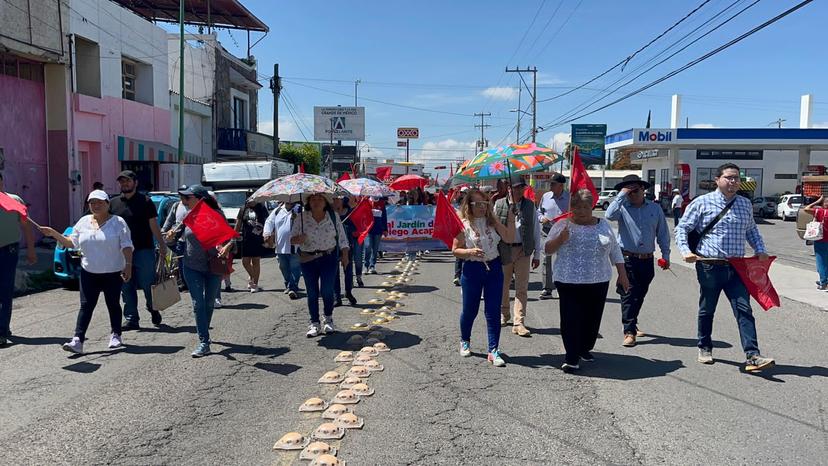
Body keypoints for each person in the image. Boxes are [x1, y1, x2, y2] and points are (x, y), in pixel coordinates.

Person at [675, 163, 775, 372]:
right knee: (707, 309)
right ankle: (704, 346)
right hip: (709, 266)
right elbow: (683, 228)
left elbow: (751, 230)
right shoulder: (702, 202)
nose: (733, 182)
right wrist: (685, 251)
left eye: (737, 178)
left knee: (744, 310)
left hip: (737, 268)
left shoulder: (744, 204)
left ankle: (752, 356)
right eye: (729, 177)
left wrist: (760, 249)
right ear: (717, 180)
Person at [545, 189, 630, 373]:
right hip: (568, 280)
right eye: (577, 207)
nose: (581, 211)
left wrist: (623, 275)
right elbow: (547, 249)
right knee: (571, 319)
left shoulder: (603, 225)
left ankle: (584, 347)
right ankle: (571, 356)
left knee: (592, 320)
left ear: (592, 206)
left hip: (598, 279)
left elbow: (615, 250)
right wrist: (560, 239)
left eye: (585, 207)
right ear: (571, 207)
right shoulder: (562, 225)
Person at [40, 191, 134, 354]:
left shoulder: (118, 222)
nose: (96, 206)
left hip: (112, 271)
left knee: (112, 303)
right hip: (89, 271)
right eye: (92, 203)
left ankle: (116, 334)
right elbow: (71, 242)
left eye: (99, 202)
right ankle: (78, 340)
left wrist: (128, 265)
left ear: (107, 204)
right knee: (86, 305)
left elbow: (126, 245)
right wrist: (54, 233)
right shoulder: (83, 222)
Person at [605, 174, 671, 347]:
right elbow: (608, 215)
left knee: (640, 294)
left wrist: (666, 255)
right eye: (629, 191)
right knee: (628, 293)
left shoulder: (655, 209)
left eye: (635, 190)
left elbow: (663, 233)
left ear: (643, 190)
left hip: (647, 259)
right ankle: (629, 331)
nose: (632, 194)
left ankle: (632, 321)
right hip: (627, 258)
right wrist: (621, 195)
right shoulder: (622, 207)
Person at [452, 188, 516, 367]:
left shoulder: (492, 221)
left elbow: (509, 238)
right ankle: (465, 340)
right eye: (477, 204)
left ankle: (493, 350)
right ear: (469, 205)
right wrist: (470, 251)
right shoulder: (463, 224)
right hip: (472, 269)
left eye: (484, 203)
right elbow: (455, 249)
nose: (481, 207)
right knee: (470, 309)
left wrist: (511, 217)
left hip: (494, 267)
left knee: (493, 310)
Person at [173, 185, 234, 357]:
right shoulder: (186, 217)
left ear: (200, 199)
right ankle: (204, 341)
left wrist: (227, 246)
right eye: (182, 198)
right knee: (198, 303)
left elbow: (230, 239)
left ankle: (203, 332)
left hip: (213, 265)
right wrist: (169, 238)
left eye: (187, 198)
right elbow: (174, 238)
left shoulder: (217, 215)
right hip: (192, 265)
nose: (183, 201)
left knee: (209, 303)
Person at [109, 170, 166, 330]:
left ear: (135, 183)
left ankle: (153, 308)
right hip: (121, 251)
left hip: (144, 249)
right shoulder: (113, 203)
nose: (124, 184)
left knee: (148, 284)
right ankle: (132, 318)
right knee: (126, 285)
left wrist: (161, 244)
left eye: (127, 181)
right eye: (122, 181)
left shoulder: (146, 201)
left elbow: (153, 224)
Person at [291, 193, 350, 338]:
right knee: (312, 292)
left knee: (327, 290)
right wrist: (299, 238)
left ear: (325, 202)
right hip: (308, 259)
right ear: (308, 202)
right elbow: (292, 239)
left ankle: (328, 319)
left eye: (319, 199)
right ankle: (314, 323)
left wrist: (345, 255)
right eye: (313, 199)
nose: (316, 202)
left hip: (328, 257)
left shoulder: (333, 216)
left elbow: (342, 237)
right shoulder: (301, 217)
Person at [494, 174, 541, 337]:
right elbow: (494, 228)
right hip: (504, 249)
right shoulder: (499, 204)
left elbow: (535, 229)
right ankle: (504, 314)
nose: (520, 190)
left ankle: (519, 321)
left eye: (522, 187)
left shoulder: (530, 205)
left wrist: (537, 253)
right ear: (509, 188)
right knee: (503, 285)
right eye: (517, 187)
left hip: (523, 250)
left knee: (521, 287)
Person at [0, 172, 37, 346]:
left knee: (5, 291)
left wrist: (31, 250)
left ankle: (2, 330)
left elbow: (26, 226)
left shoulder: (14, 200)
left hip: (9, 251)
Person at [538, 173, 569, 300]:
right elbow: (538, 211)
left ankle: (562, 286)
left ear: (561, 185)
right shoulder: (545, 196)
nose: (550, 186)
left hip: (563, 232)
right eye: (550, 183)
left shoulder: (569, 198)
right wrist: (542, 218)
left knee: (563, 259)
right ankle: (547, 288)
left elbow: (575, 213)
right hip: (547, 231)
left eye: (553, 184)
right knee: (546, 259)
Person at [264, 201, 302, 299]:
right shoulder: (278, 210)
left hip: (295, 246)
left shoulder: (300, 210)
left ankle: (293, 288)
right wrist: (267, 233)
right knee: (283, 267)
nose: (289, 200)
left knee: (295, 268)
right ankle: (288, 284)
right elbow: (269, 222)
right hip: (280, 246)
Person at [235, 197, 269, 293]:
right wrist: (234, 236)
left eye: (253, 199)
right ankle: (252, 277)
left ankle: (255, 283)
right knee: (245, 261)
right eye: (249, 199)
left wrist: (268, 236)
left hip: (258, 238)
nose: (250, 201)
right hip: (246, 238)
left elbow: (267, 222)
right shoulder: (243, 209)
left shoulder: (261, 208)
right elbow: (238, 223)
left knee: (255, 261)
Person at [332, 197, 358, 306]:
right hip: (333, 246)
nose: (336, 201)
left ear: (343, 201)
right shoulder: (329, 214)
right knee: (334, 272)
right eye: (333, 199)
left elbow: (355, 227)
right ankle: (337, 296)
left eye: (338, 199)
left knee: (348, 270)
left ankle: (348, 292)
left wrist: (345, 227)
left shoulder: (350, 213)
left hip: (347, 245)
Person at [801, 195, 828, 290]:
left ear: (823, 204)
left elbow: (806, 209)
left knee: (821, 261)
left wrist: (817, 201)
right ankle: (824, 279)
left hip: (821, 239)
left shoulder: (820, 211)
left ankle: (823, 282)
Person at [363, 197, 387, 275]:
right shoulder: (366, 201)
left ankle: (372, 265)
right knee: (368, 246)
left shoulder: (381, 203)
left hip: (378, 229)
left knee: (375, 248)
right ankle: (366, 265)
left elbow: (384, 217)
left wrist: (385, 229)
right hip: (368, 229)